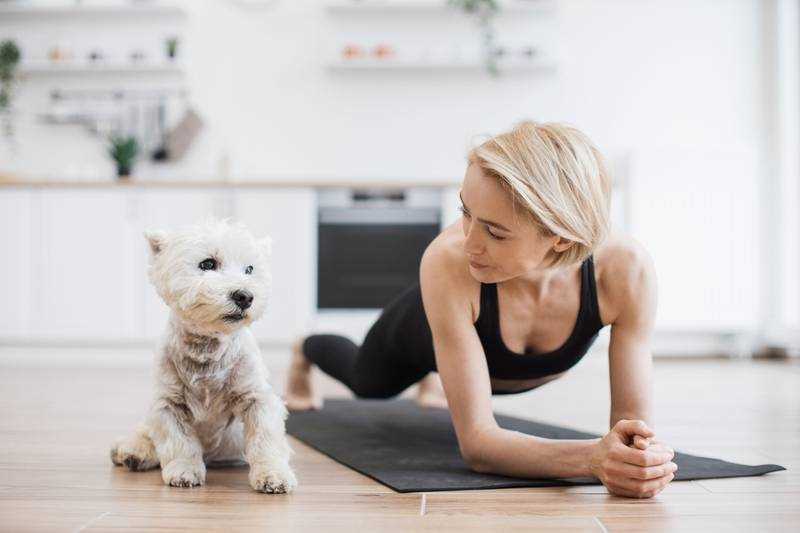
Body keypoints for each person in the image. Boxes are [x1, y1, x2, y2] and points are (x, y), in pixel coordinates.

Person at [284, 121, 676, 499]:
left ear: (558, 237)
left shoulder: (626, 271)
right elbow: (479, 447)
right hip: (417, 331)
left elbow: (633, 431)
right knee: (369, 383)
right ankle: (306, 349)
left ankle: (445, 375)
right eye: (465, 212)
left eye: (495, 230)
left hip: (488, 354)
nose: (468, 241)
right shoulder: (447, 260)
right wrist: (593, 457)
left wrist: (637, 459)